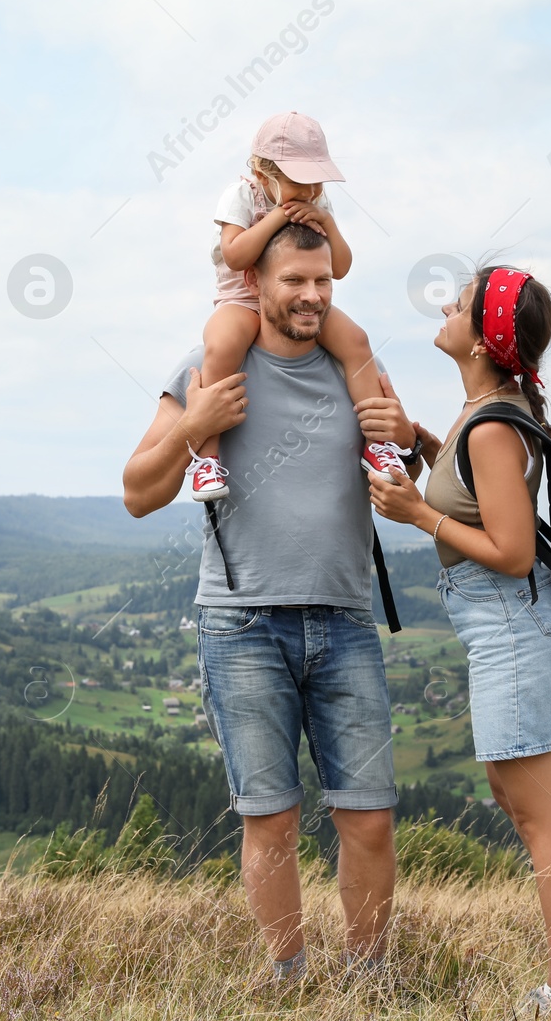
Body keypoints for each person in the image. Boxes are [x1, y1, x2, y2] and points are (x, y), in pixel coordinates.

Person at [123, 221, 419, 981]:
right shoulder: (207, 365)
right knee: (272, 820)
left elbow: (415, 478)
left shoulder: (359, 367)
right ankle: (290, 977)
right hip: (242, 623)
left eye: (324, 281)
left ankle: (368, 979)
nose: (313, 295)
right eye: (296, 281)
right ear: (256, 283)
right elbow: (136, 493)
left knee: (371, 819)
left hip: (347, 619)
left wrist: (409, 439)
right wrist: (194, 426)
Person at [367, 265, 551, 1012]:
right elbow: (474, 498)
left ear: (483, 340)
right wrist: (420, 441)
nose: (445, 306)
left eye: (458, 302)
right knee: (521, 800)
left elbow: (513, 550)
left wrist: (416, 516)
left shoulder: (488, 424)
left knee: (542, 816)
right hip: (508, 626)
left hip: (513, 624)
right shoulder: (486, 407)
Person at [185, 111, 405, 502]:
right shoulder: (242, 196)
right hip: (242, 297)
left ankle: (378, 443)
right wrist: (275, 220)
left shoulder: (319, 203)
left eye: (316, 180)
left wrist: (327, 224)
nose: (309, 190)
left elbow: (340, 267)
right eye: (298, 181)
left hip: (297, 302)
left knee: (356, 340)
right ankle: (207, 458)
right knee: (221, 347)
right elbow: (235, 256)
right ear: (264, 171)